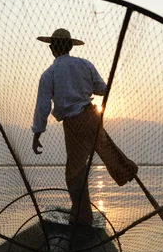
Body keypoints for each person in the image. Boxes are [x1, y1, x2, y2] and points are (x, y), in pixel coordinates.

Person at [32, 28, 138, 226]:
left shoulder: (49, 74)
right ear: (70, 46)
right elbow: (102, 89)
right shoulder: (85, 65)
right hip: (91, 115)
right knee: (108, 150)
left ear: (52, 48)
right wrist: (83, 87)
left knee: (74, 172)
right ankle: (127, 170)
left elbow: (43, 107)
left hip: (74, 123)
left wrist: (37, 134)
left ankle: (82, 218)